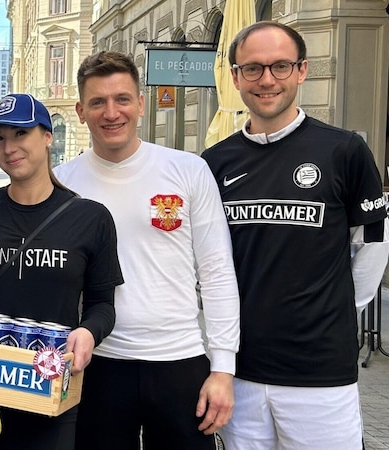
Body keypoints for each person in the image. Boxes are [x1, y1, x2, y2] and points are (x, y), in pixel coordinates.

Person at [202, 21, 389, 449]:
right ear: (235, 77)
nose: (267, 80)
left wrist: (335, 310)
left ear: (301, 71)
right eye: (252, 69)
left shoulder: (344, 151)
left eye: (280, 66)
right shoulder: (214, 163)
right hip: (240, 373)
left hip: (320, 374)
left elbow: (374, 244)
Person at [52, 51, 241, 449]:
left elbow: (217, 271)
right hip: (97, 365)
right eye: (97, 102)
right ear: (80, 111)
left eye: (122, 99)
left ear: (140, 103)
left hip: (180, 360)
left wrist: (223, 367)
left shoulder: (187, 170)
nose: (111, 112)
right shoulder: (62, 184)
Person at [0, 93, 122, 450]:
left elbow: (103, 305)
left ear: (47, 136)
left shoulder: (91, 218)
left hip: (47, 385)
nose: (8, 148)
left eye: (20, 133)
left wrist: (89, 332)